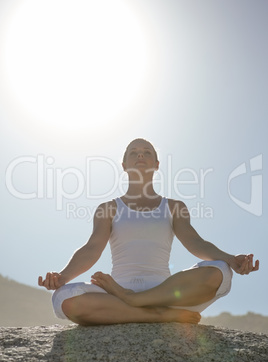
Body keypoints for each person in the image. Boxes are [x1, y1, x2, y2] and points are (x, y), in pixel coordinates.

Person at [38, 138, 259, 326]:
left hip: (167, 294)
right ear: (124, 165)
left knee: (220, 271)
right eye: (133, 153)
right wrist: (62, 277)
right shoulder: (109, 208)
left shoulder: (174, 207)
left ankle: (137, 302)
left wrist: (231, 260)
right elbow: (92, 248)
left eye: (146, 153)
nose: (140, 156)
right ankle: (155, 315)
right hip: (118, 294)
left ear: (156, 164)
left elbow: (196, 243)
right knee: (63, 297)